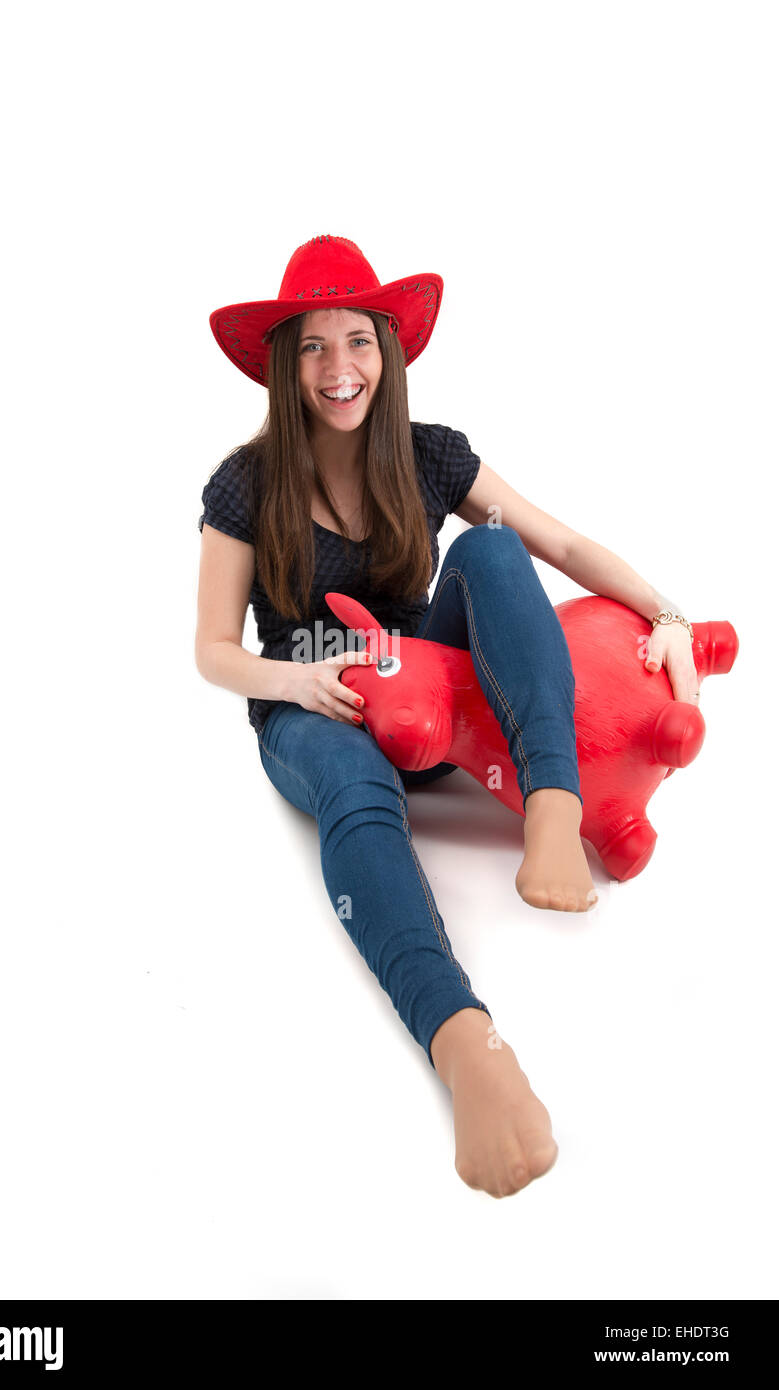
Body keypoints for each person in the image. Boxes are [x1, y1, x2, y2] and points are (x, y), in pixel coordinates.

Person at [195, 235, 699, 1199]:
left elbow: (554, 539)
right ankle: (466, 1045)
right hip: (323, 706)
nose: (338, 369)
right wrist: (295, 684)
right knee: (350, 782)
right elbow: (211, 649)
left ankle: (552, 805)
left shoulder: (429, 455)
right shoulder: (246, 485)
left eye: (357, 341)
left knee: (501, 552)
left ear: (386, 352)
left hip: (433, 688)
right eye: (310, 347)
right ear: (283, 364)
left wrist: (668, 614)